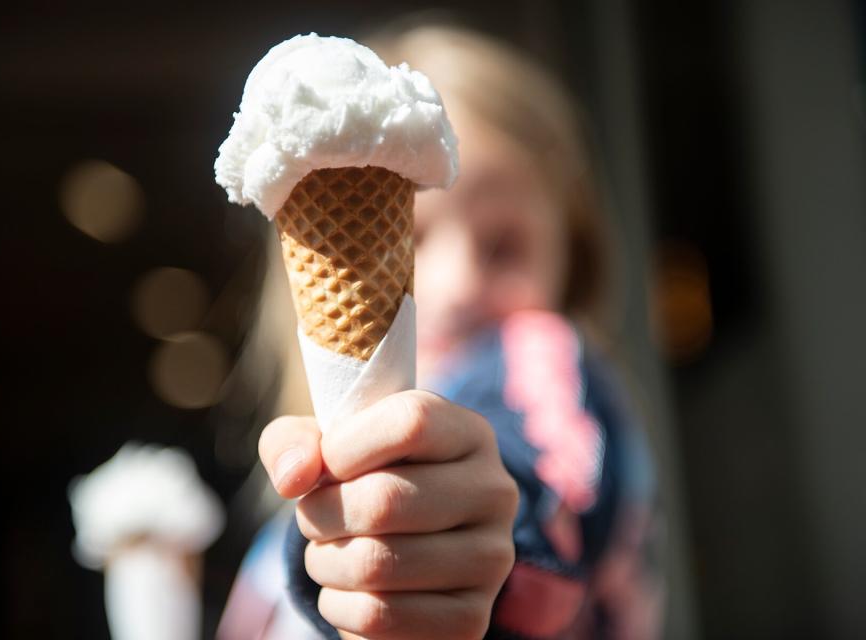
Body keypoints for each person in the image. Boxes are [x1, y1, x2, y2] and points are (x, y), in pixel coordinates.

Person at [219, 21, 663, 640]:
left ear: (572, 258)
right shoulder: (289, 515)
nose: (459, 284)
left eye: (504, 246)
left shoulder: (544, 362)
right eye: (411, 238)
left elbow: (539, 485)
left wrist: (473, 538)